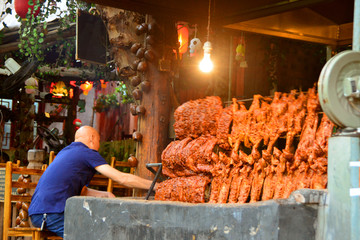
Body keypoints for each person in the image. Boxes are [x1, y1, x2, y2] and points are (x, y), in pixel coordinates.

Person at [28, 126, 156, 238]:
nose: (99, 145)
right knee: (97, 232)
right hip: (51, 214)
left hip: (38, 213)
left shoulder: (66, 152)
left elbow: (82, 191)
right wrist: (155, 186)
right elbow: (122, 178)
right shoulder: (87, 152)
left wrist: (104, 194)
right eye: (99, 141)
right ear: (92, 138)